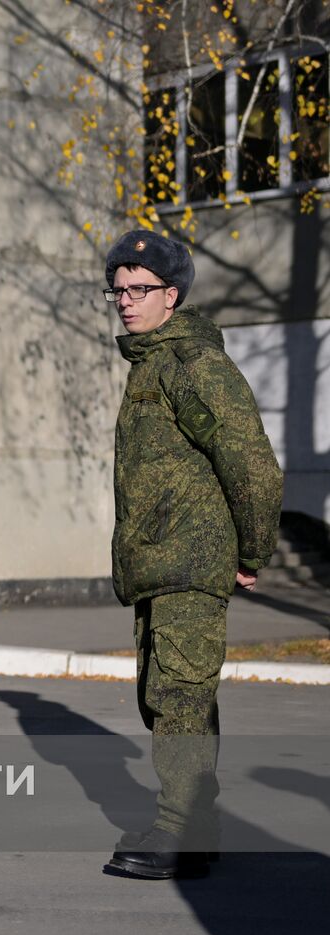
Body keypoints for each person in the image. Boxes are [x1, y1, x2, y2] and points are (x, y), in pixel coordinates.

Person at [100, 230, 282, 880]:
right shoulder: (151, 366)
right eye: (118, 290)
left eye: (139, 289)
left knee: (178, 693)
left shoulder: (191, 365)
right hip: (161, 565)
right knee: (172, 696)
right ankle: (196, 824)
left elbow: (253, 465)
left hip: (191, 560)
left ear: (172, 295)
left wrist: (253, 547)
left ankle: (179, 830)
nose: (125, 301)